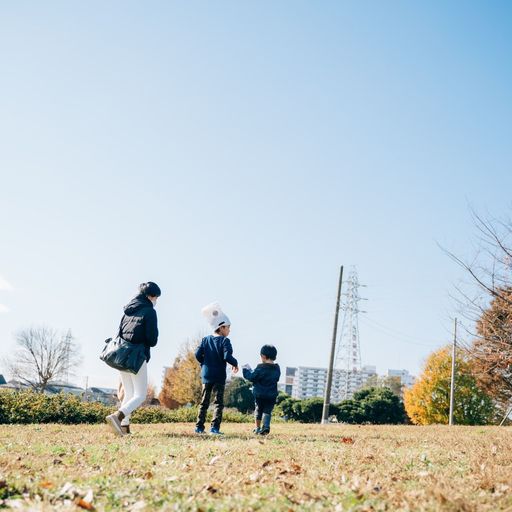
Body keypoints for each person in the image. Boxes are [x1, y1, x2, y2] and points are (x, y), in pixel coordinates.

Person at [106, 281, 161, 436]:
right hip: (137, 356)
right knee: (140, 395)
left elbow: (121, 333)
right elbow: (152, 340)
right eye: (156, 297)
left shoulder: (127, 311)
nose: (156, 300)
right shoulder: (150, 312)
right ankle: (117, 416)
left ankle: (124, 428)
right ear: (150, 296)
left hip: (121, 356)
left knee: (129, 393)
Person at [195, 302, 239, 435]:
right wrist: (235, 363)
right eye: (228, 328)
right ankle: (214, 428)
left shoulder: (205, 340)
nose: (229, 331)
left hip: (206, 375)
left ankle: (199, 427)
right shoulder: (225, 341)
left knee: (204, 402)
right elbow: (227, 356)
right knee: (218, 402)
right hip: (219, 376)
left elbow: (197, 354)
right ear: (221, 327)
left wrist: (204, 364)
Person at [242, 345, 281, 435]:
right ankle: (266, 426)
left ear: (263, 356)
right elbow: (277, 378)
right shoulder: (277, 368)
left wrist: (245, 370)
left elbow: (252, 377)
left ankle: (257, 428)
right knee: (267, 411)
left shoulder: (260, 367)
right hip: (272, 395)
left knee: (258, 410)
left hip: (260, 394)